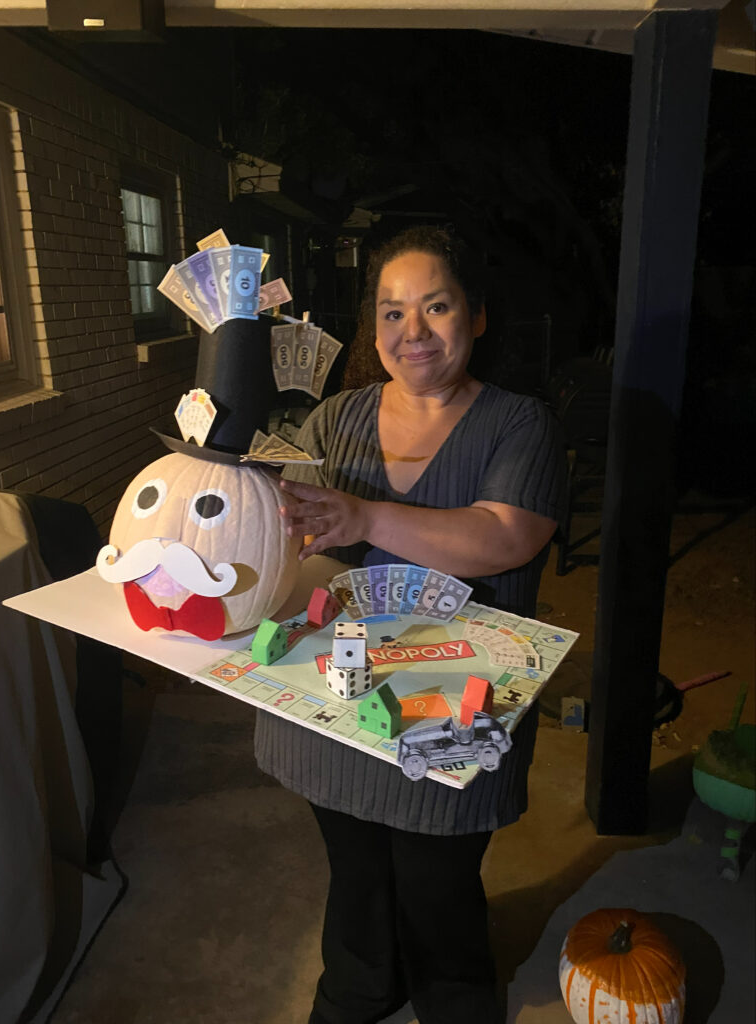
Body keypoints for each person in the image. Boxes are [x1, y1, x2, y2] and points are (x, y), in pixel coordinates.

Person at [254, 225, 567, 1024]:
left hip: (457, 696)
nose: (412, 333)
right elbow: (289, 540)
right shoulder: (333, 421)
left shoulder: (517, 423)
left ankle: (455, 999)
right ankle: (359, 984)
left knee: (437, 876)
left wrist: (360, 514)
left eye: (436, 306)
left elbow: (505, 536)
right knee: (355, 866)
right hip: (340, 691)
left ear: (478, 315)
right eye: (392, 313)